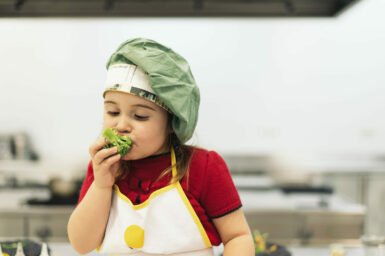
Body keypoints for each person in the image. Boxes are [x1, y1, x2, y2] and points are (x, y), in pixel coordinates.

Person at [67, 38, 254, 256]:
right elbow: (81, 245)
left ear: (172, 122)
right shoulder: (104, 168)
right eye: (113, 112)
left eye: (140, 116)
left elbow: (237, 237)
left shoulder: (203, 168)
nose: (121, 125)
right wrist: (101, 186)